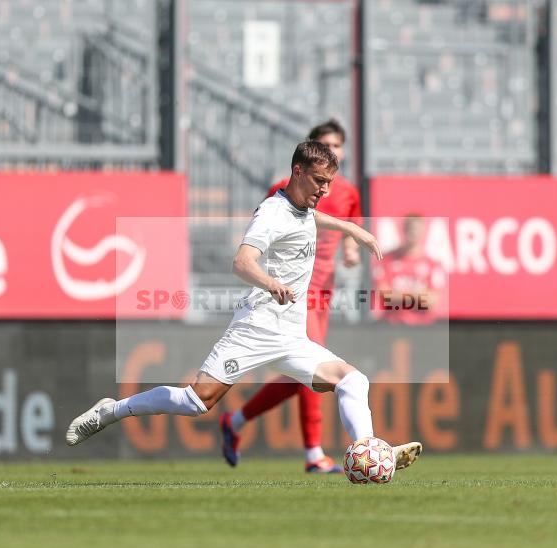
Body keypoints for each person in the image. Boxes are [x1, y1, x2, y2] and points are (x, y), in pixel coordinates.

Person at [67, 141, 422, 474]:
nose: (324, 190)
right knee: (195, 401)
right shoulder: (271, 213)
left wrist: (351, 229)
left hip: (291, 336)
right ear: (296, 172)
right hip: (256, 328)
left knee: (352, 380)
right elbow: (241, 262)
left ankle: (368, 450)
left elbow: (309, 220)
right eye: (318, 181)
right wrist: (272, 284)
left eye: (329, 183)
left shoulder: (302, 209)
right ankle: (111, 411)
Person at [219, 119, 362, 474]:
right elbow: (274, 225)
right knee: (319, 371)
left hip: (325, 290)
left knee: (305, 374)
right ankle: (314, 455)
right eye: (325, 145)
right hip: (298, 290)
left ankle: (236, 420)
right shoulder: (284, 191)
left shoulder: (346, 192)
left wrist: (350, 249)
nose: (333, 152)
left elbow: (348, 228)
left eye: (338, 146)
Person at [373, 215, 445, 325]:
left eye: (416, 229)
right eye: (410, 228)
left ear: (423, 231)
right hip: (393, 324)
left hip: (422, 325)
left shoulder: (433, 264)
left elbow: (431, 301)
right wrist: (418, 297)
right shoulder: (387, 260)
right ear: (403, 229)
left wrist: (398, 296)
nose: (413, 232)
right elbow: (385, 296)